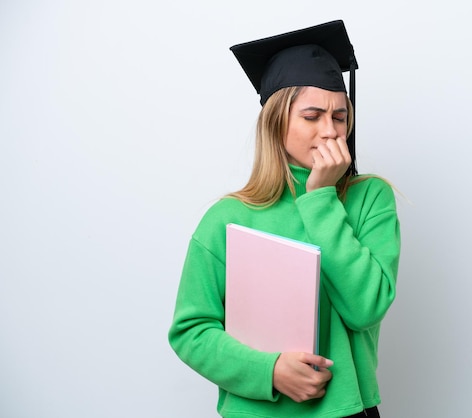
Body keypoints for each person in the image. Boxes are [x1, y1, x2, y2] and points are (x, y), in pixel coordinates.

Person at [168, 20, 401, 418]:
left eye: (340, 117)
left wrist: (321, 198)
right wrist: (269, 370)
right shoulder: (229, 216)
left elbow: (365, 309)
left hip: (347, 411)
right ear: (277, 121)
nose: (330, 131)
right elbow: (192, 331)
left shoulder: (369, 198)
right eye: (312, 116)